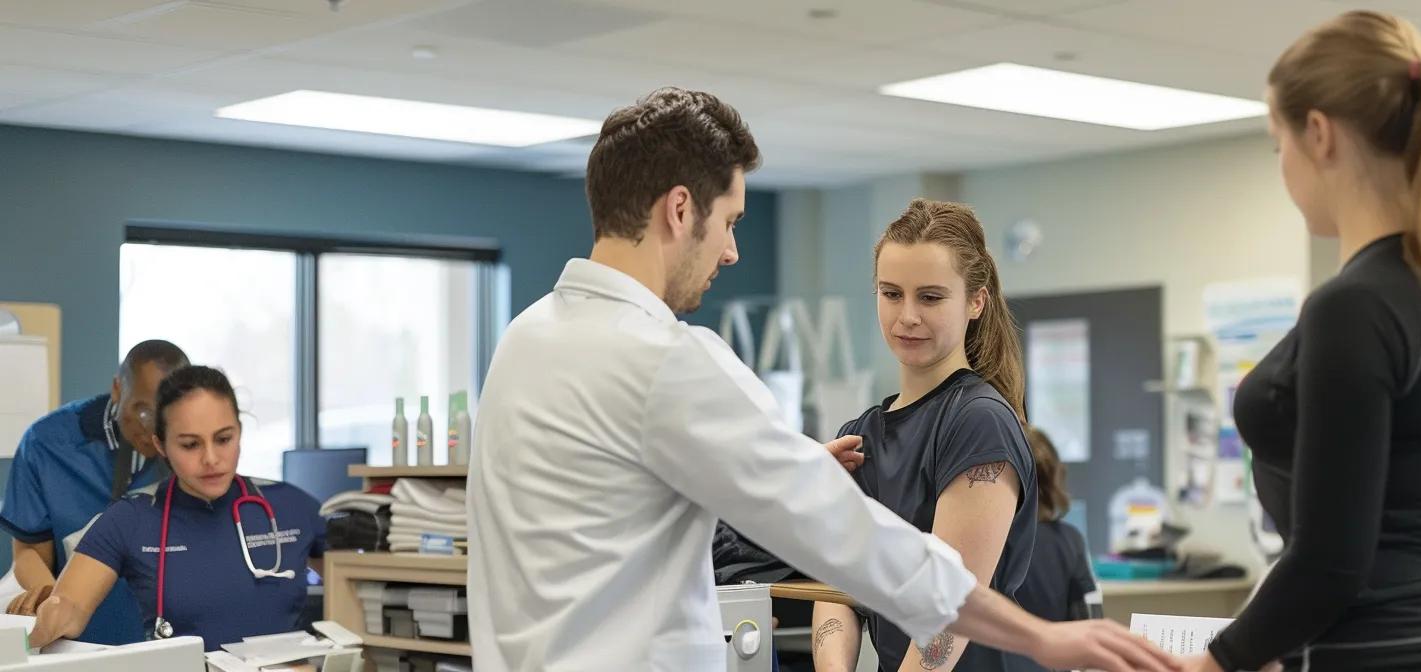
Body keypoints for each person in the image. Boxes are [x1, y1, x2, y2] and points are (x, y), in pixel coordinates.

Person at [466, 87, 1180, 672]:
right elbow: (857, 544)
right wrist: (1041, 636)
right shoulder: (669, 361)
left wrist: (778, 464)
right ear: (680, 210)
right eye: (730, 222)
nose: (733, 250)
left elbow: (606, 507)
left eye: (930, 298)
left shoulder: (524, 341)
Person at [1192, 11, 1421, 672]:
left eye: (1276, 143)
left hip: (1385, 654)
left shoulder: (1352, 308)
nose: (1282, 165)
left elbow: (1330, 562)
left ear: (1318, 135)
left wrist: (1217, 662)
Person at [812, 198, 1042, 672]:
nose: (907, 316)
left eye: (931, 297)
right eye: (891, 293)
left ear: (976, 301)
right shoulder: (858, 438)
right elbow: (838, 588)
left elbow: (951, 610)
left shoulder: (978, 422)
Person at [28, 365, 328, 651]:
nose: (211, 458)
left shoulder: (292, 506)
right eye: (190, 445)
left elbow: (357, 591)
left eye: (224, 439)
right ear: (161, 446)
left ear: (239, 431)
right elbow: (70, 606)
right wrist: (48, 615)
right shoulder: (130, 519)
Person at [1, 339, 188, 644]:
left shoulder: (188, 449)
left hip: (169, 640)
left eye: (167, 413)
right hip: (76, 640)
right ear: (118, 389)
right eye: (142, 411)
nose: (153, 427)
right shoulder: (47, 443)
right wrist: (53, 600)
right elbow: (30, 550)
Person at [1013, 427, 1097, 626]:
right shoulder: (1068, 540)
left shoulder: (987, 543)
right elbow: (1087, 622)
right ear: (1055, 476)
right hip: (1056, 655)